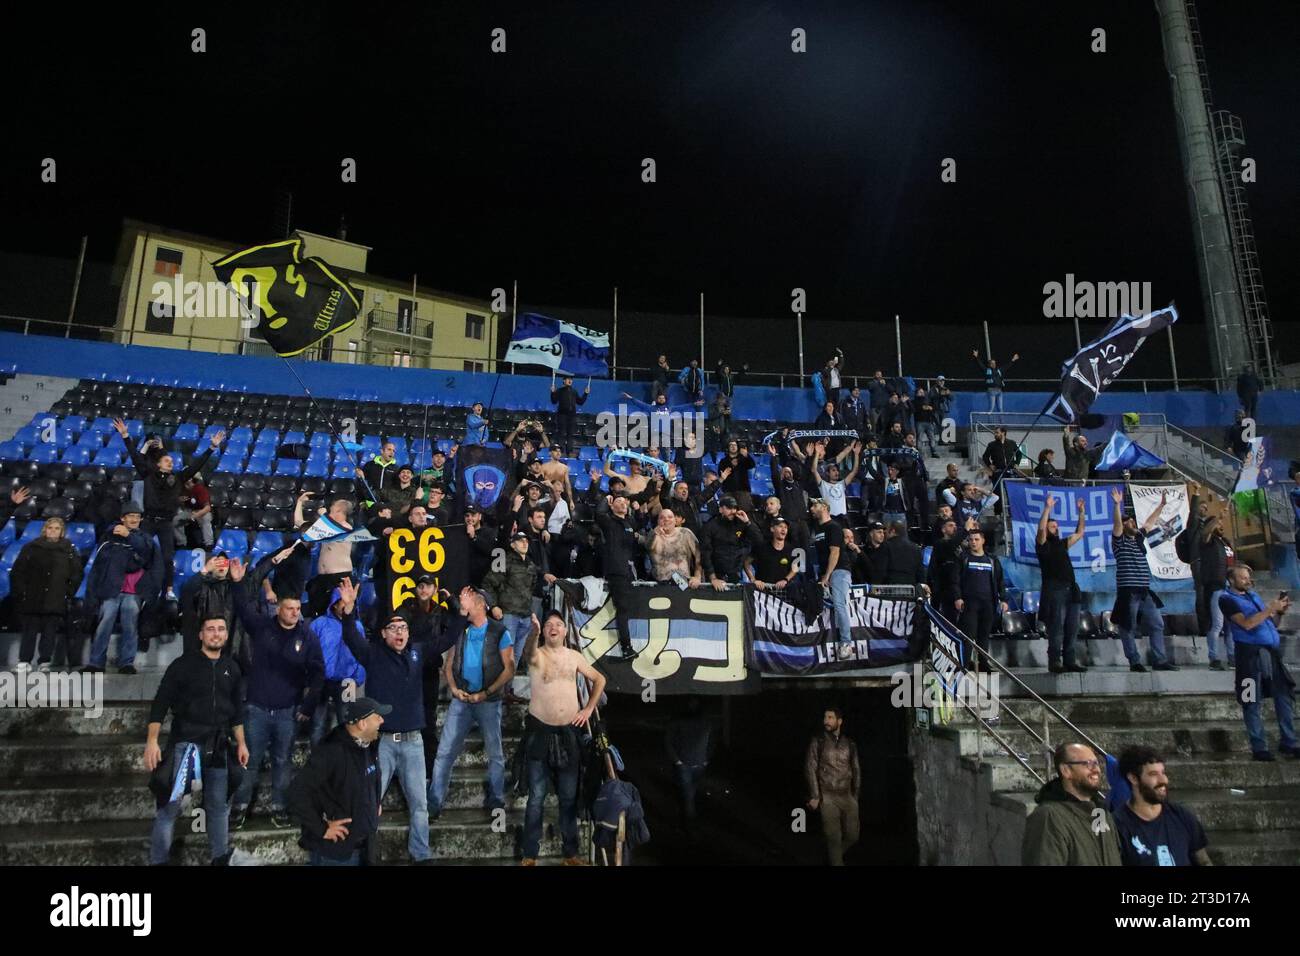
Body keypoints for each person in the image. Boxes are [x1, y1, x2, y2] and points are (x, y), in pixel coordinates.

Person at [343, 601, 456, 864]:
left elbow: (447, 639)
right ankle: (363, 856)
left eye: (403, 627)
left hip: (413, 742)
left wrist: (459, 613)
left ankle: (421, 855)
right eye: (393, 628)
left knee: (420, 806)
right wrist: (349, 613)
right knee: (369, 803)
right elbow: (350, 637)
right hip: (381, 743)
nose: (399, 632)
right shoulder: (372, 654)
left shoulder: (417, 651)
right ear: (383, 634)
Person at [227, 556, 325, 830]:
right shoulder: (263, 628)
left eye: (297, 608)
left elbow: (319, 673)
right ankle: (240, 806)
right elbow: (243, 610)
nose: (295, 613)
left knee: (283, 762)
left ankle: (280, 807)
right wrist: (236, 583)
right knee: (250, 760)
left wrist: (307, 706)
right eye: (290, 608)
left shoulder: (307, 637)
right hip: (257, 709)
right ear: (279, 609)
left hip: (287, 712)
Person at [145, 614, 248, 866]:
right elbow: (160, 703)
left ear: (226, 635)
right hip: (187, 744)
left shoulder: (231, 668)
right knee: (170, 807)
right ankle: (159, 861)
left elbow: (236, 712)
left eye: (221, 629)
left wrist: (242, 743)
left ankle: (219, 858)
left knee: (218, 806)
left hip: (220, 745)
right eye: (210, 629)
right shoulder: (183, 665)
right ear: (200, 635)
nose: (216, 633)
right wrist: (152, 741)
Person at [517, 612, 606, 865]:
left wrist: (588, 708)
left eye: (558, 624)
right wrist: (533, 632)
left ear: (566, 631)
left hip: (569, 733)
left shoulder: (574, 657)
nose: (553, 627)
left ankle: (571, 853)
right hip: (540, 733)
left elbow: (600, 679)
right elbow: (529, 651)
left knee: (568, 797)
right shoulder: (537, 656)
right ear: (544, 632)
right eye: (548, 625)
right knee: (536, 797)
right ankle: (529, 854)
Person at [428, 587, 516, 819]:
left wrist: (486, 693)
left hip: (488, 701)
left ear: (480, 605)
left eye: (467, 602)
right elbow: (448, 665)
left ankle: (496, 799)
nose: (463, 606)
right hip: (463, 700)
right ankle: (434, 803)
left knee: (495, 753)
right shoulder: (461, 630)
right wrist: (455, 689)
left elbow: (510, 669)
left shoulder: (499, 631)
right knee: (445, 752)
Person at [117, 419, 223, 600]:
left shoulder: (179, 477)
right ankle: (132, 586)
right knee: (139, 553)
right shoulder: (148, 475)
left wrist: (212, 447)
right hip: (149, 521)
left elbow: (197, 465)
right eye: (167, 460)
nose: (171, 462)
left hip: (166, 523)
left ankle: (168, 589)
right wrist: (126, 436)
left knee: (167, 558)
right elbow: (135, 456)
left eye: (172, 461)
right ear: (158, 463)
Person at [287, 697, 389, 866]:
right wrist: (322, 828)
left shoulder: (368, 743)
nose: (382, 720)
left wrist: (375, 802)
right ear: (362, 724)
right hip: (336, 854)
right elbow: (296, 792)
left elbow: (370, 778)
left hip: (364, 846)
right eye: (377, 716)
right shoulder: (331, 751)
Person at [1219, 565, 1298, 761]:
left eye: (1248, 577)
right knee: (1251, 700)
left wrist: (1278, 613)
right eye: (1243, 578)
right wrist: (1270, 608)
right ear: (1232, 580)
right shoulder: (1226, 599)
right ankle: (1259, 747)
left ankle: (1289, 742)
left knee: (1284, 697)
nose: (1248, 581)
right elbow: (1247, 624)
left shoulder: (1253, 596)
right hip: (1249, 657)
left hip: (1271, 655)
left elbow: (1271, 624)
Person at [83, 502, 163, 675]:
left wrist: (129, 536)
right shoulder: (109, 536)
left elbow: (147, 554)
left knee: (130, 626)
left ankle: (127, 663)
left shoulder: (145, 538)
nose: (134, 519)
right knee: (104, 624)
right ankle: (96, 663)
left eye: (137, 516)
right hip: (111, 588)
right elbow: (99, 564)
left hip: (134, 591)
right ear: (122, 519)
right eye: (130, 516)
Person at [1109, 486, 1177, 672]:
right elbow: (1116, 525)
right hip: (1128, 590)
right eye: (1129, 522)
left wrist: (1162, 505)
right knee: (1127, 626)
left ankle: (1159, 660)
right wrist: (1117, 505)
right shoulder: (1119, 541)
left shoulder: (1138, 538)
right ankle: (1134, 660)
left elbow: (1150, 522)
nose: (1132, 523)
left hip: (1144, 590)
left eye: (1132, 521)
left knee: (1157, 623)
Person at [1021, 742, 1122, 866]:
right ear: (1066, 770)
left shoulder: (1102, 812)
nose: (1095, 769)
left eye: (1096, 763)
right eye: (1087, 764)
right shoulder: (1049, 817)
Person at [1113, 745, 1212, 866]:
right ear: (1133, 778)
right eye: (1153, 774)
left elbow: (1204, 861)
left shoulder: (1182, 816)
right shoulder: (1117, 826)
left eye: (1163, 772)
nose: (1163, 780)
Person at [9, 517, 83, 671]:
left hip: (56, 596)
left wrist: (67, 593)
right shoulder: (31, 547)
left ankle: (45, 661)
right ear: (45, 529)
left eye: (57, 528)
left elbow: (76, 574)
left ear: (62, 531)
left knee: (49, 630)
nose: (53, 531)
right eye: (50, 528)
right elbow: (18, 572)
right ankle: (25, 660)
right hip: (32, 595)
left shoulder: (69, 550)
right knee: (30, 629)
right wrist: (21, 592)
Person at [307, 584, 367, 747]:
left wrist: (357, 679)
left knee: (347, 723)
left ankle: (347, 761)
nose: (346, 605)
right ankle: (317, 761)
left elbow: (363, 655)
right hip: (321, 680)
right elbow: (308, 651)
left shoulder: (357, 627)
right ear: (334, 603)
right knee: (317, 723)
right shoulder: (319, 624)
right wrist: (311, 678)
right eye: (342, 601)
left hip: (346, 681)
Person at [1036, 494, 1088, 673]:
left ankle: (1070, 660)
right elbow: (1041, 530)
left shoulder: (1062, 544)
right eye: (1053, 526)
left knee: (1072, 628)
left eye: (1057, 527)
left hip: (1071, 588)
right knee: (1056, 628)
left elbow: (1080, 533)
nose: (1055, 529)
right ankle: (1054, 661)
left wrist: (1081, 513)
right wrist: (1047, 508)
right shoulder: (1043, 545)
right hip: (1054, 589)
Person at [804, 705, 859, 866]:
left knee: (853, 836)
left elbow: (856, 769)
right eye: (825, 717)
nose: (826, 721)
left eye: (830, 718)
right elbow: (810, 767)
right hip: (827, 796)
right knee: (833, 837)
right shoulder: (818, 741)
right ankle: (836, 861)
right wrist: (815, 795)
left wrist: (855, 795)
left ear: (839, 721)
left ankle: (833, 857)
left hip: (846, 794)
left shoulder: (849, 743)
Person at [952, 528, 1008, 662]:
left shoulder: (992, 560)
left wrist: (1003, 599)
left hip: (988, 603)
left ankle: (983, 664)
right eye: (970, 540)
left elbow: (1000, 581)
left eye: (976, 539)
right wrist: (958, 597)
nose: (973, 542)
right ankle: (963, 665)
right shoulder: (963, 558)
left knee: (984, 636)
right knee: (968, 636)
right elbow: (955, 580)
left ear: (983, 541)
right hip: (970, 604)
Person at [810, 499, 853, 657]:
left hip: (839, 570)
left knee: (839, 604)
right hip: (826, 572)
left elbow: (835, 553)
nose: (812, 508)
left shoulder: (834, 526)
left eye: (815, 505)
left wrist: (827, 575)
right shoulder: (817, 528)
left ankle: (846, 643)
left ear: (825, 507)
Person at [1195, 506, 1234, 670]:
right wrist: (1219, 516)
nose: (1221, 526)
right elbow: (1205, 533)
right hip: (1215, 587)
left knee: (1230, 626)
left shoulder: (1224, 542)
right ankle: (1214, 657)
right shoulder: (1208, 541)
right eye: (1217, 524)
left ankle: (1232, 657)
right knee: (1217, 624)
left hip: (1229, 588)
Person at [666, 698, 713, 836]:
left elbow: (712, 740)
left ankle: (686, 824)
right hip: (687, 763)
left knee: (688, 795)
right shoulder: (681, 721)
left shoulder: (703, 721)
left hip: (694, 763)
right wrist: (677, 760)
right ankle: (689, 826)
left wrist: (706, 759)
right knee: (688, 796)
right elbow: (669, 741)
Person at [700, 495, 762, 589]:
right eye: (729, 508)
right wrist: (713, 578)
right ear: (720, 509)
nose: (733, 511)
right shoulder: (710, 526)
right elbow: (706, 553)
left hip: (736, 576)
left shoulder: (741, 523)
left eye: (734, 508)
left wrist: (748, 522)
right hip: (716, 575)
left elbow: (759, 541)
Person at [643, 506, 702, 586]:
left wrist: (697, 577)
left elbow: (700, 556)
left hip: (683, 583)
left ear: (675, 520)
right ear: (658, 522)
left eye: (670, 517)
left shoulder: (685, 533)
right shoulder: (653, 536)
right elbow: (647, 547)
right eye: (662, 518)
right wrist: (654, 533)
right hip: (660, 584)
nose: (666, 519)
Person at [550, 374, 590, 452]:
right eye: (568, 379)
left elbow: (580, 402)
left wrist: (585, 394)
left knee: (570, 434)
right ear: (564, 381)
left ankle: (569, 451)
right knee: (561, 433)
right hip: (562, 415)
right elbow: (554, 401)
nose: (570, 380)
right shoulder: (560, 390)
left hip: (572, 415)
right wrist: (552, 392)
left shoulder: (574, 391)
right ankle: (561, 451)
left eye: (571, 379)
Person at [174, 474, 213, 549]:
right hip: (189, 511)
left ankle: (208, 544)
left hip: (201, 511)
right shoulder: (182, 489)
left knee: (206, 518)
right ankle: (182, 543)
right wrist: (179, 500)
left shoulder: (200, 489)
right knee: (176, 520)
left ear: (191, 480)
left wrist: (195, 516)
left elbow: (207, 508)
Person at [883, 521, 924, 587]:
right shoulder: (916, 548)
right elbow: (920, 572)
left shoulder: (885, 546)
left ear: (893, 531)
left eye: (887, 530)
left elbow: (881, 570)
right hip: (911, 587)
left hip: (890, 587)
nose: (885, 533)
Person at [913, 388, 938, 458]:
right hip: (919, 422)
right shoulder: (915, 401)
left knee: (932, 438)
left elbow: (932, 408)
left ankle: (934, 452)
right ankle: (919, 453)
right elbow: (920, 408)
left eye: (922, 392)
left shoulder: (927, 399)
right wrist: (925, 407)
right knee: (919, 438)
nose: (922, 393)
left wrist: (929, 408)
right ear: (917, 393)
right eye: (920, 392)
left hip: (929, 421)